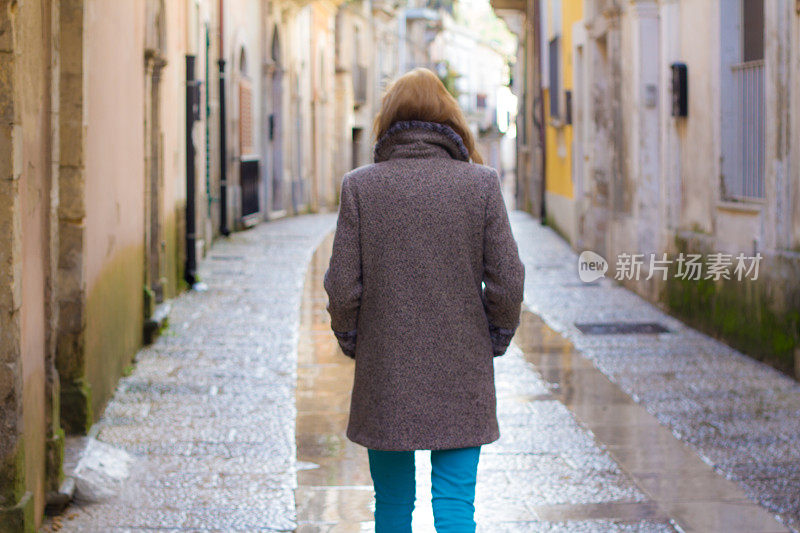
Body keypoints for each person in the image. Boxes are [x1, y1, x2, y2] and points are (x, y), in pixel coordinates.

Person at [323, 67, 525, 533]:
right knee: (455, 504)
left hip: (386, 368)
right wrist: (494, 338)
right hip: (461, 367)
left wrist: (354, 340)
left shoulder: (361, 186)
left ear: (388, 119)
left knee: (392, 504)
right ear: (450, 118)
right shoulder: (481, 184)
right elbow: (508, 282)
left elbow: (341, 288)